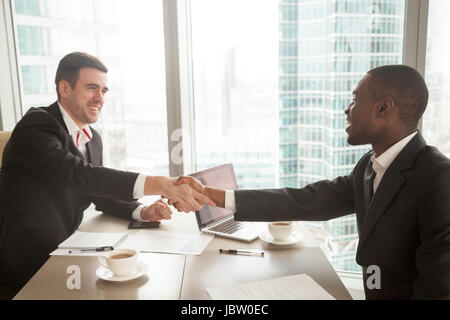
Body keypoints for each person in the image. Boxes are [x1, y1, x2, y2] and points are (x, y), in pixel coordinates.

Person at [173, 65, 450, 300]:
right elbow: (308, 200)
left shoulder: (438, 177)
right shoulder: (369, 165)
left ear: (383, 107)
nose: (347, 108)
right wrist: (215, 196)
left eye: (355, 99)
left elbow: (437, 288)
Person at [0, 52, 213, 299]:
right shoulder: (36, 126)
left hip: (66, 254)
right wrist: (160, 184)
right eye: (92, 88)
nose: (99, 98)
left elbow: (99, 194)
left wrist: (142, 212)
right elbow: (79, 174)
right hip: (25, 264)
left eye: (104, 90)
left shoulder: (93, 140)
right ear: (65, 89)